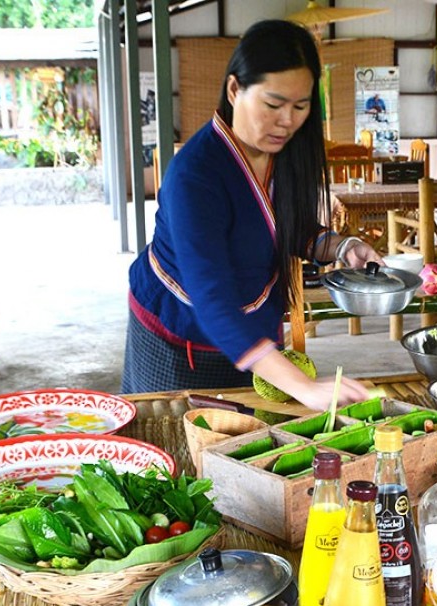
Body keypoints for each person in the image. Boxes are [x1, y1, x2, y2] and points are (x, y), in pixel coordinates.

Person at [123, 20, 380, 410]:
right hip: (181, 332)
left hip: (252, 331)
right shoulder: (195, 174)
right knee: (185, 441)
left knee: (245, 439)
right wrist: (304, 386)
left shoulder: (283, 155)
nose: (287, 121)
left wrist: (340, 245)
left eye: (301, 106)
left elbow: (281, 228)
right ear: (234, 89)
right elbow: (211, 297)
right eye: (273, 104)